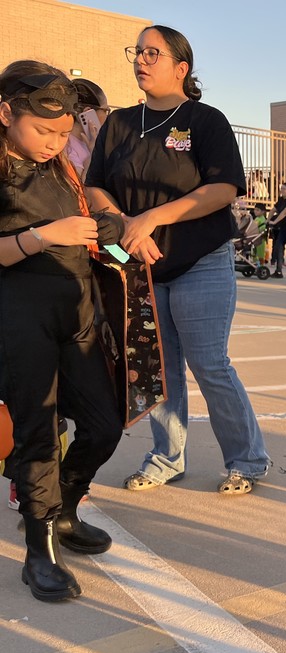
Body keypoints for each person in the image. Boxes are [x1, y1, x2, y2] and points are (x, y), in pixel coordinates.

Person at [86, 24, 269, 495]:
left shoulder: (205, 121)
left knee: (210, 363)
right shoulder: (119, 123)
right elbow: (94, 186)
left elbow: (222, 188)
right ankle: (167, 457)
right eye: (137, 52)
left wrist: (149, 218)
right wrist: (127, 226)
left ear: (180, 67)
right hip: (139, 263)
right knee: (158, 367)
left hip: (200, 261)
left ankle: (247, 460)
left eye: (153, 53)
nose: (141, 60)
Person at [0, 61, 126, 601]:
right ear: (6, 113)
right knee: (38, 435)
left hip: (78, 315)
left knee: (104, 423)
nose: (55, 142)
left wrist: (112, 229)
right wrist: (42, 236)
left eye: (63, 133)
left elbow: (91, 221)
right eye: (43, 130)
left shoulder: (61, 166)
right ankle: (40, 548)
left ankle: (67, 507)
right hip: (20, 319)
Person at [66, 78, 109, 179]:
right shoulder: (67, 147)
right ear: (88, 112)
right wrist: (94, 154)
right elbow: (81, 187)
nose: (107, 116)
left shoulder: (92, 141)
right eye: (106, 111)